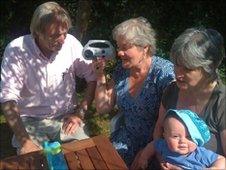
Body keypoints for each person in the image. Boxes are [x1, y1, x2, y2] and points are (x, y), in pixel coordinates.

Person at [0, 1, 96, 155]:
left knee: (85, 154)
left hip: (66, 118)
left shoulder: (71, 43)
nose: (62, 39)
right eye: (55, 35)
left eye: (65, 33)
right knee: (35, 160)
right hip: (30, 120)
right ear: (37, 32)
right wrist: (25, 141)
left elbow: (92, 78)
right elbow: (7, 98)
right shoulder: (17, 50)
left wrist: (80, 114)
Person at [132, 27, 226, 169]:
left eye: (187, 68)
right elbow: (159, 129)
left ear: (209, 68)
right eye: (177, 65)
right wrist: (157, 156)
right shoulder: (172, 90)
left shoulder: (221, 104)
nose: (178, 73)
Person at [93, 17, 175, 166]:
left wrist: (148, 150)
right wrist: (100, 76)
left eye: (125, 47)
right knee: (100, 163)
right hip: (126, 138)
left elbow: (174, 122)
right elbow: (103, 108)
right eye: (118, 47)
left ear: (145, 48)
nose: (119, 53)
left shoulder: (164, 74)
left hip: (158, 143)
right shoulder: (122, 71)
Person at [131, 109, 226, 170]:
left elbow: (222, 160)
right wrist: (144, 157)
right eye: (176, 136)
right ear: (165, 136)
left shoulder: (199, 154)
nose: (182, 141)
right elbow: (153, 145)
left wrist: (214, 168)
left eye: (189, 137)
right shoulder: (164, 145)